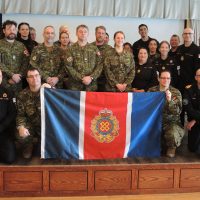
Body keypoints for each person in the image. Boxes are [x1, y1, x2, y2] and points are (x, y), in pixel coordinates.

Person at [149, 70, 184, 158]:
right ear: (159, 79)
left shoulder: (176, 92)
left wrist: (169, 100)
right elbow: (147, 107)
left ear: (170, 79)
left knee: (173, 134)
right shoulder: (151, 91)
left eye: (168, 78)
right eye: (163, 78)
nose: (165, 80)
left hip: (171, 122)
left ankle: (171, 147)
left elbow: (177, 112)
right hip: (155, 121)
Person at [16, 67, 50, 159]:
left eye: (36, 75)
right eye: (31, 76)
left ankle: (42, 144)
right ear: (27, 79)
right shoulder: (22, 95)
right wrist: (21, 127)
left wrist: (52, 90)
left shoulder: (48, 90)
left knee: (45, 154)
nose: (34, 78)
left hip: (46, 125)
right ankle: (28, 146)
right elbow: (21, 115)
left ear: (40, 76)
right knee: (21, 136)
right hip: (30, 124)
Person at [65, 24, 103, 91]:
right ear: (76, 33)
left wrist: (91, 77)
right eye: (80, 31)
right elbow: (68, 67)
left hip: (91, 86)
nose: (83, 33)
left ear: (88, 34)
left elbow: (100, 65)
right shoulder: (70, 49)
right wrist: (82, 78)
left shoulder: (94, 49)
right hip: (75, 86)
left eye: (85, 32)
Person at [176, 28, 200, 125]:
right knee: (180, 105)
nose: (187, 35)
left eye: (190, 33)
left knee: (190, 106)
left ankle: (192, 125)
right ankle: (180, 127)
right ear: (182, 35)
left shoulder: (197, 49)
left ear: (193, 35)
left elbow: (198, 68)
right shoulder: (179, 48)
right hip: (180, 82)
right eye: (185, 33)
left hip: (191, 84)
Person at [0, 20, 29, 95]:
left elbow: (26, 62)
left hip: (18, 83)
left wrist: (19, 76)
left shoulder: (21, 46)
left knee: (17, 104)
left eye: (13, 29)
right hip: (3, 82)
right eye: (9, 29)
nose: (11, 31)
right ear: (4, 30)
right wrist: (12, 75)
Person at [0, 69, 16, 163]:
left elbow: (12, 113)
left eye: (0, 76)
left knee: (10, 159)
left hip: (3, 130)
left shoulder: (8, 92)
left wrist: (1, 127)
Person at [183, 68, 200, 154]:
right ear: (195, 77)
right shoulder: (189, 89)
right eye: (199, 76)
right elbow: (188, 108)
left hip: (195, 120)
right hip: (193, 121)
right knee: (192, 148)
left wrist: (195, 120)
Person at [91, 26, 112, 91]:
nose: (100, 35)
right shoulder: (89, 47)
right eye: (99, 33)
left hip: (105, 81)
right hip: (91, 80)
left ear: (105, 35)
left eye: (103, 33)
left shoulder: (110, 49)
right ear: (95, 34)